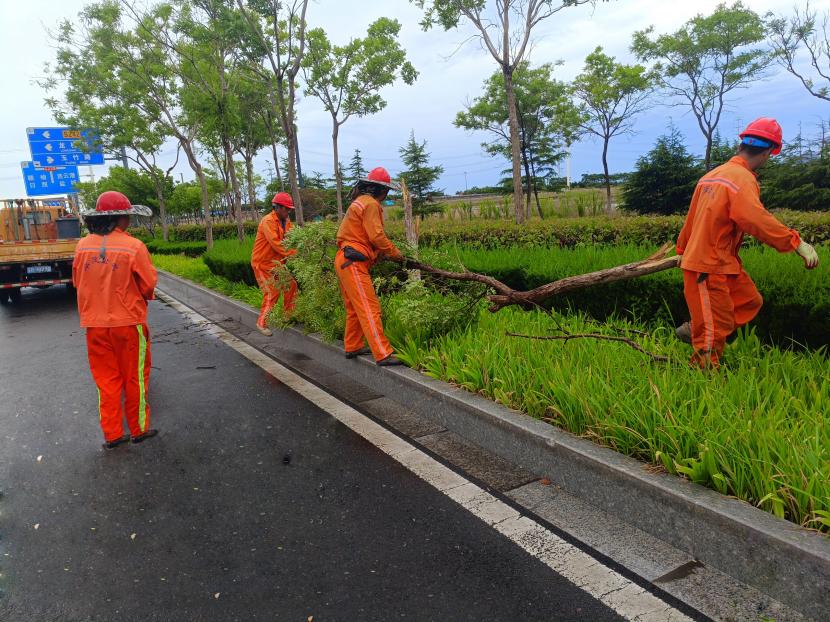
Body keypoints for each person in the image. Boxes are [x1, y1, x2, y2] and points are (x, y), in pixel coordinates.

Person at [675, 118, 820, 368]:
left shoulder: (711, 175)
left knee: (748, 301)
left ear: (742, 145)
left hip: (722, 262)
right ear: (767, 152)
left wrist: (682, 248)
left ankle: (700, 326)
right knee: (712, 333)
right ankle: (702, 376)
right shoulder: (742, 179)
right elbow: (755, 219)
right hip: (708, 266)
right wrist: (795, 242)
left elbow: (691, 219)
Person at [72, 191, 158, 449]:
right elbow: (148, 285)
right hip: (128, 324)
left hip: (95, 326)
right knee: (134, 378)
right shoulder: (133, 246)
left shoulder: (82, 246)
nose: (128, 221)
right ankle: (138, 429)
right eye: (126, 216)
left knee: (106, 381)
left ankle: (112, 435)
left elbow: (77, 282)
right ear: (119, 218)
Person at [335, 167, 404, 366]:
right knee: (369, 307)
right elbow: (377, 236)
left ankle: (353, 345)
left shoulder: (359, 202)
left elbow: (363, 236)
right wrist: (395, 253)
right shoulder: (371, 204)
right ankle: (383, 353)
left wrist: (377, 254)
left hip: (345, 259)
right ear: (382, 190)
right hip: (353, 262)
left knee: (354, 308)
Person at [251, 192, 298, 336]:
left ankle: (288, 317)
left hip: (276, 264)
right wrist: (295, 253)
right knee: (272, 292)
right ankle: (261, 323)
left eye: (289, 209)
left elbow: (292, 238)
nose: (288, 211)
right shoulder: (268, 221)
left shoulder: (286, 221)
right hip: (262, 264)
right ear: (278, 207)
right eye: (286, 209)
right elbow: (277, 244)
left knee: (291, 285)